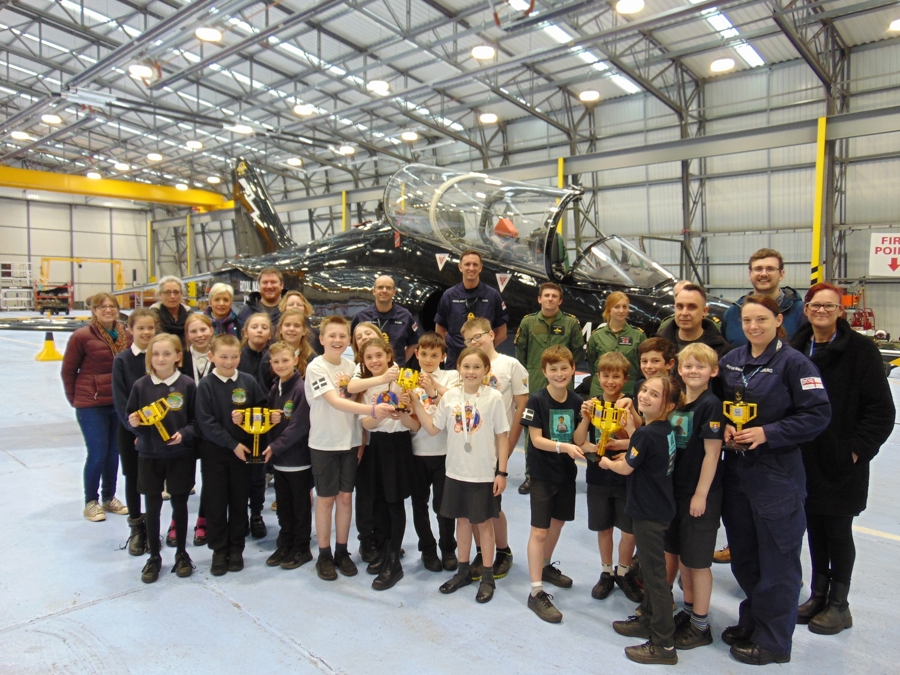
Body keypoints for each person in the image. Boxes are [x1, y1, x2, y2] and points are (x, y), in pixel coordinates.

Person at [717, 295, 831, 665]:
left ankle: (775, 641)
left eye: (761, 320)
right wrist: (723, 428)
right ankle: (753, 621)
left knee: (779, 562)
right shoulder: (731, 362)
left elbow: (817, 415)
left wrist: (770, 433)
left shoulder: (795, 364)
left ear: (778, 319)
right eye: (747, 320)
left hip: (776, 475)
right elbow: (712, 406)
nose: (753, 327)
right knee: (745, 558)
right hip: (736, 473)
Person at [791, 283, 894, 635]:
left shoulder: (860, 351)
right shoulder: (795, 348)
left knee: (837, 530)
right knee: (815, 530)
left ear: (840, 311)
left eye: (829, 306)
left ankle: (840, 603)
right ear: (806, 310)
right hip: (804, 459)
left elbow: (881, 410)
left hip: (840, 462)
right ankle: (818, 595)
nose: (821, 311)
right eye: (815, 305)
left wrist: (855, 450)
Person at [412, 347, 510, 604]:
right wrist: (414, 402)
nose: (471, 371)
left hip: (484, 473)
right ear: (458, 369)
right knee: (462, 523)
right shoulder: (450, 397)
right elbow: (433, 429)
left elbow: (502, 436)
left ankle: (487, 576)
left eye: (477, 367)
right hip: (455, 471)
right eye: (466, 366)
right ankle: (463, 571)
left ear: (486, 370)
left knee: (484, 524)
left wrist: (501, 471)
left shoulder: (494, 398)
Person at [305, 316, 394, 581]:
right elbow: (335, 401)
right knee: (326, 499)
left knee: (346, 498)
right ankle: (324, 553)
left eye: (342, 336)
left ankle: (342, 551)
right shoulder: (316, 367)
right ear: (321, 339)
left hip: (350, 442)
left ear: (348, 341)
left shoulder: (352, 365)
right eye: (331, 336)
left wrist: (362, 439)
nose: (337, 340)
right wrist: (373, 410)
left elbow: (361, 391)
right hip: (324, 442)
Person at [601, 376, 680, 666]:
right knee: (648, 571)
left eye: (655, 394)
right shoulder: (662, 430)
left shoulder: (647, 434)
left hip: (649, 512)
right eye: (644, 390)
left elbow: (626, 468)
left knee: (655, 578)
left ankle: (663, 644)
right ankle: (648, 618)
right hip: (658, 507)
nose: (645, 396)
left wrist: (609, 462)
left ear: (668, 405)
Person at [521, 345, 591, 623]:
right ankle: (536, 591)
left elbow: (577, 438)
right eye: (553, 369)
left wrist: (585, 418)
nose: (559, 373)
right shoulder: (536, 401)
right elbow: (537, 440)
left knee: (558, 522)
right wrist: (565, 448)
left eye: (564, 368)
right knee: (540, 530)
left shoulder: (576, 401)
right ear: (544, 372)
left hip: (565, 475)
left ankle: (546, 564)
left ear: (574, 369)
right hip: (541, 474)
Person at [664, 343, 725, 650]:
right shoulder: (677, 402)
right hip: (675, 492)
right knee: (684, 558)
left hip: (699, 494)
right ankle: (688, 611)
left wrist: (701, 494)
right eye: (688, 366)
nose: (693, 371)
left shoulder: (711, 405)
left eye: (701, 367)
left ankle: (701, 625)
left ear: (713, 371)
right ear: (678, 369)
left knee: (698, 562)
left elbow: (712, 454)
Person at [461, 318, 528, 581]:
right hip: (473, 449)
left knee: (492, 505)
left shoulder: (510, 365)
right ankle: (481, 550)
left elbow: (521, 407)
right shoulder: (468, 367)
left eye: (478, 336)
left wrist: (509, 445)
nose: (475, 342)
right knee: (473, 505)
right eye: (469, 340)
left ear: (491, 334)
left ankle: (503, 550)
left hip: (497, 445)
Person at [126, 333, 197, 583]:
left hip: (180, 455)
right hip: (150, 454)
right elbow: (132, 418)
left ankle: (181, 553)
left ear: (178, 356)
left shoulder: (187, 385)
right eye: (155, 354)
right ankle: (154, 556)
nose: (160, 358)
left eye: (167, 353)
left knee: (179, 503)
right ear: (149, 357)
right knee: (152, 505)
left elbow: (195, 421)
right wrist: (135, 425)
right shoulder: (141, 386)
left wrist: (184, 434)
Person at [195, 334, 268, 576]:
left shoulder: (247, 381)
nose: (229, 362)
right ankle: (218, 549)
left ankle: (236, 548)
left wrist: (247, 416)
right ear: (211, 356)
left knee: (239, 501)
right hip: (215, 453)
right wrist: (231, 443)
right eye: (223, 357)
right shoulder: (206, 385)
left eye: (234, 356)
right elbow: (205, 421)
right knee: (216, 502)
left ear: (240, 356)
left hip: (244, 453)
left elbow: (262, 409)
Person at [61, 292, 131, 522]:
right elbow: (68, 370)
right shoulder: (82, 336)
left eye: (112, 306)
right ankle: (90, 501)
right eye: (102, 307)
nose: (107, 310)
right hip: (91, 404)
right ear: (93, 310)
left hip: (117, 403)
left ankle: (109, 498)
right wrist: (76, 399)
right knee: (97, 453)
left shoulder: (126, 335)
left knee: (114, 453)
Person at [358, 337, 420, 590]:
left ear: (388, 356)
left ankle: (394, 562)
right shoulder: (365, 387)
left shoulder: (403, 382)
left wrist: (403, 410)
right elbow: (365, 423)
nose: (374, 361)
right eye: (369, 357)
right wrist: (379, 413)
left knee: (395, 502)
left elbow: (414, 422)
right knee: (380, 502)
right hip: (376, 447)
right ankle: (385, 550)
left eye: (379, 356)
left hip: (398, 444)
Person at [583, 351, 643, 603]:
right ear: (598, 377)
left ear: (625, 378)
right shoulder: (592, 404)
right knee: (604, 527)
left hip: (626, 477)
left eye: (616, 376)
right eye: (605, 375)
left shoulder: (631, 404)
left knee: (629, 531)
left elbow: (641, 436)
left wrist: (624, 432)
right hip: (598, 475)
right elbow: (581, 441)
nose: (610, 381)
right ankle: (607, 571)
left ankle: (623, 571)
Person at [515, 282, 585, 496]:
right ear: (539, 299)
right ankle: (531, 475)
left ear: (560, 300)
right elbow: (521, 352)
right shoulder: (528, 323)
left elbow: (577, 353)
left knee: (562, 428)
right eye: (546, 295)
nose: (550, 299)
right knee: (532, 430)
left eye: (554, 296)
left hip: (562, 385)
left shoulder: (571, 323)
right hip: (536, 381)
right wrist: (535, 371)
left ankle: (564, 471)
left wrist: (562, 372)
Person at [260, 341, 314, 571]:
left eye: (285, 360)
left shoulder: (301, 388)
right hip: (281, 462)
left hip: (298, 460)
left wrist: (276, 446)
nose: (281, 365)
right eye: (276, 361)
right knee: (284, 506)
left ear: (295, 360)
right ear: (271, 364)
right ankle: (286, 541)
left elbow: (299, 425)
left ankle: (302, 547)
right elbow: (275, 419)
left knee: (300, 508)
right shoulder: (276, 388)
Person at [409, 332, 460, 572]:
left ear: (443, 356)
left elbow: (455, 401)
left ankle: (448, 548)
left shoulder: (451, 378)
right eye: (424, 354)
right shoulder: (408, 379)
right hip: (417, 453)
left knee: (444, 506)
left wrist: (432, 390)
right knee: (419, 504)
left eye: (434, 355)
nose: (429, 359)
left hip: (444, 453)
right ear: (417, 354)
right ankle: (427, 549)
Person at [112, 308, 159, 555]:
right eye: (141, 328)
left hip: (157, 434)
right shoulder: (122, 361)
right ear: (130, 330)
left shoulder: (161, 358)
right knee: (133, 478)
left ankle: (153, 529)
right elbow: (121, 402)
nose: (146, 332)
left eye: (150, 328)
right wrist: (135, 430)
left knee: (153, 482)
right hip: (131, 432)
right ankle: (136, 527)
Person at [434, 250, 508, 368]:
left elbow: (502, 333)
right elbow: (439, 330)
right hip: (455, 359)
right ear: (460, 267)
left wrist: (486, 348)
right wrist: (450, 350)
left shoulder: (493, 296)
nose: (471, 268)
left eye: (475, 264)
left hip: (484, 359)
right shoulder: (449, 296)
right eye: (467, 264)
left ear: (481, 268)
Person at [721, 248, 805, 348]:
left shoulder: (801, 313)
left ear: (781, 274)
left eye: (770, 269)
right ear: (750, 274)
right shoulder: (732, 314)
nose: (764, 274)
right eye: (758, 269)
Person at [180, 313, 215, 546]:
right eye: (194, 331)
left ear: (211, 330)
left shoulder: (222, 357)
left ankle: (204, 519)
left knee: (210, 477)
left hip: (212, 427)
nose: (199, 335)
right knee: (182, 477)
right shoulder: (180, 358)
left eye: (203, 329)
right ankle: (176, 520)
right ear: (187, 335)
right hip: (185, 427)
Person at [586, 291, 646, 398]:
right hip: (601, 388)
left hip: (628, 388)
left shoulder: (638, 335)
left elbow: (643, 362)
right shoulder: (597, 336)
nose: (621, 311)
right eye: (617, 307)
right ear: (609, 309)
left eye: (625, 307)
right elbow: (591, 363)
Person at [350, 275, 421, 367]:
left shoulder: (405, 316)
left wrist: (400, 361)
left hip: (395, 371)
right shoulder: (361, 317)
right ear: (373, 291)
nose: (384, 290)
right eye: (380, 287)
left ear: (394, 292)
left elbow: (413, 342)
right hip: (370, 370)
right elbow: (353, 342)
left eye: (388, 288)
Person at [656, 284, 730, 359]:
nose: (684, 313)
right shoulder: (656, 346)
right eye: (680, 306)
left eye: (691, 307)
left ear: (704, 311)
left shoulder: (722, 351)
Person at [153, 276, 193, 347]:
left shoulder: (189, 314)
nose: (172, 296)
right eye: (167, 292)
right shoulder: (153, 314)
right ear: (160, 294)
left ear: (181, 294)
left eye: (176, 292)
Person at [238, 313, 273, 389]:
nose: (259, 330)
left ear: (270, 335)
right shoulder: (238, 356)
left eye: (264, 328)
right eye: (254, 327)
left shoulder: (274, 357)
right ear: (246, 333)